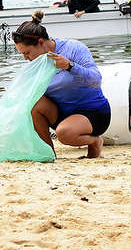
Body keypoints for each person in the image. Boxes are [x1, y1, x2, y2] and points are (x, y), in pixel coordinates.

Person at [12, 10, 111, 158]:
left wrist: (70, 66)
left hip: (94, 112)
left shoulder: (73, 48)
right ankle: (48, 155)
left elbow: (96, 81)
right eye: (22, 55)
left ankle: (95, 142)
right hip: (63, 114)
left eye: (27, 53)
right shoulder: (36, 62)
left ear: (40, 42)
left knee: (64, 134)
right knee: (33, 102)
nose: (26, 58)